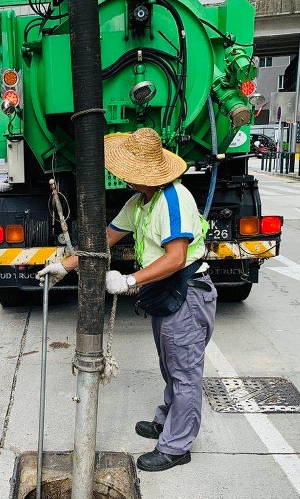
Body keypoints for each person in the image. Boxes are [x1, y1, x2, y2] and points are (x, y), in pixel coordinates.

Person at [36, 127, 217, 473]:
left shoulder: (174, 200)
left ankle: (177, 446)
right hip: (166, 292)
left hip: (187, 292)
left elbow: (177, 257)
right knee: (171, 365)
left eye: (129, 172)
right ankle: (168, 421)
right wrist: (65, 266)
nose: (123, 177)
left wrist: (129, 280)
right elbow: (103, 239)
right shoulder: (140, 202)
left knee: (184, 372)